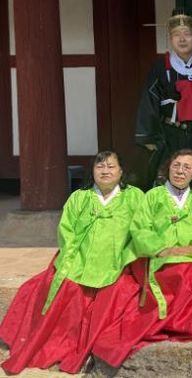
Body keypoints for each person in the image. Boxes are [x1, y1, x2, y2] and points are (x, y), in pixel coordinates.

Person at [0, 151, 143, 374]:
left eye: (111, 166)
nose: (105, 171)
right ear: (92, 172)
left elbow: (141, 231)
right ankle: (54, 345)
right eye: (100, 167)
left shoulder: (135, 197)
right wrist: (75, 260)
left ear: (121, 171)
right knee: (55, 289)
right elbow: (66, 232)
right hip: (78, 260)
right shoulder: (79, 197)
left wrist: (124, 259)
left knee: (117, 295)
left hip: (118, 263)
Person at [92, 149, 192, 367]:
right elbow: (140, 228)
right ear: (168, 168)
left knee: (190, 271)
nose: (180, 171)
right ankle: (171, 322)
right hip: (156, 256)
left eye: (187, 167)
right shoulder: (152, 196)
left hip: (189, 255)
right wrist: (160, 249)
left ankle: (179, 322)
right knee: (177, 272)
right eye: (176, 165)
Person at [135, 9, 192, 187]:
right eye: (176, 35)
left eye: (187, 34)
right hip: (170, 137)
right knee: (168, 185)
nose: (182, 39)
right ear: (170, 39)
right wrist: (148, 137)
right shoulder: (159, 69)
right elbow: (148, 102)